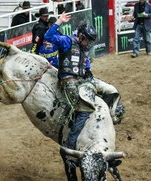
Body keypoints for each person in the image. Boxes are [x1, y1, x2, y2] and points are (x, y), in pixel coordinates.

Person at [44, 12, 121, 150]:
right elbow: (48, 37)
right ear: (80, 36)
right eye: (88, 40)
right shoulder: (67, 41)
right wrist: (59, 22)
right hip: (68, 81)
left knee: (111, 91)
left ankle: (110, 118)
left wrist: (88, 71)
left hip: (83, 80)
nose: (89, 43)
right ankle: (70, 143)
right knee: (84, 107)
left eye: (91, 41)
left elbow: (85, 64)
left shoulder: (84, 48)